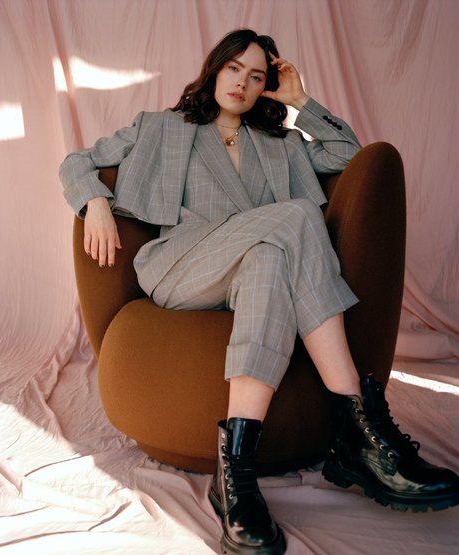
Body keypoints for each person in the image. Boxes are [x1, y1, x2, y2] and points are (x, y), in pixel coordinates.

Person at [60, 29, 459, 555]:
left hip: (251, 272)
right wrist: (95, 202)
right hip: (182, 268)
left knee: (271, 257)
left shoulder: (283, 145)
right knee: (296, 216)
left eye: (256, 76)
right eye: (234, 69)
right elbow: (77, 162)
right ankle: (359, 423)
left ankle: (236, 477)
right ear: (215, 69)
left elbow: (352, 156)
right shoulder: (160, 127)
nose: (242, 84)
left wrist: (301, 101)